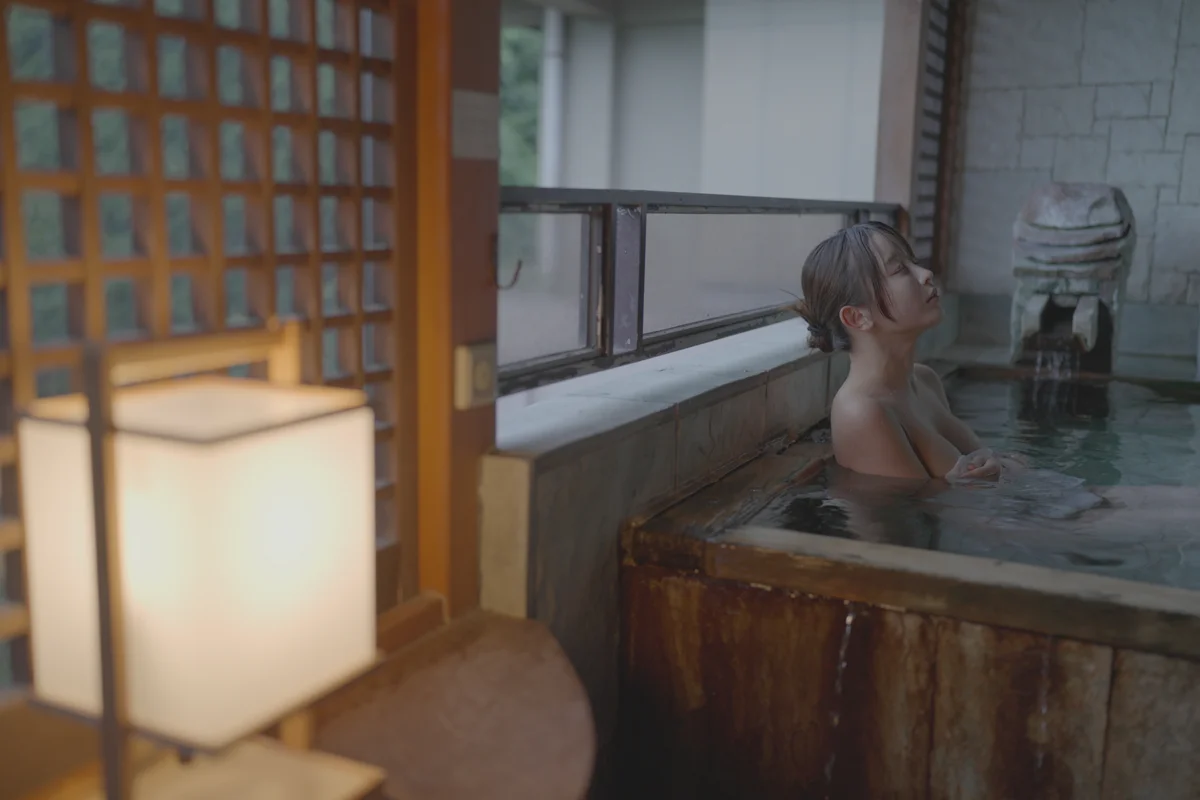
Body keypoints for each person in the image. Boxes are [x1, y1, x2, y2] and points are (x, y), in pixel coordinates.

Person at [796, 221, 1019, 482]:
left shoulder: (924, 380)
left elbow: (983, 471)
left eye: (913, 262)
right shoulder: (860, 411)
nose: (926, 273)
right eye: (900, 269)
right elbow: (909, 506)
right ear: (857, 317)